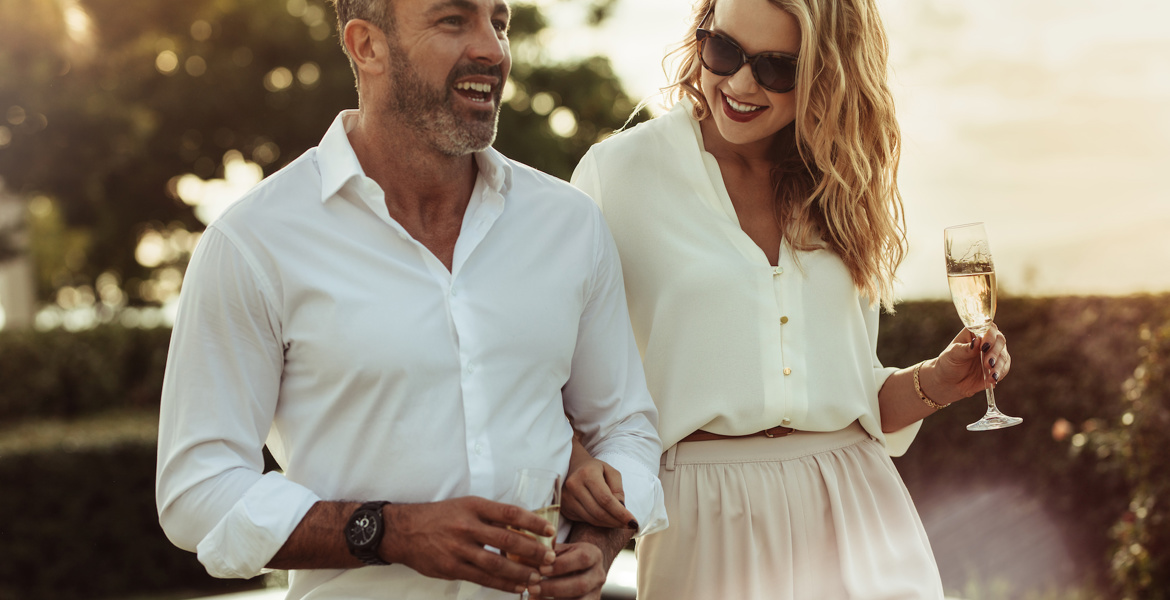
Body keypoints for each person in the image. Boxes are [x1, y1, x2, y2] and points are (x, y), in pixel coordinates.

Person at [153, 0, 668, 598]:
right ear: (366, 46)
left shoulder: (570, 225)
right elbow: (197, 491)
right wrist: (390, 530)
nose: (492, 50)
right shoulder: (253, 243)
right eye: (453, 21)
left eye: (498, 23)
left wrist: (599, 542)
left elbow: (624, 429)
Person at [564, 0, 1014, 598]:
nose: (740, 83)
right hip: (707, 520)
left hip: (862, 508)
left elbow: (856, 398)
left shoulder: (839, 184)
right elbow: (554, 372)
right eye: (722, 51)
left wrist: (938, 380)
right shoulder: (617, 174)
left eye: (777, 68)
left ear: (828, 76)